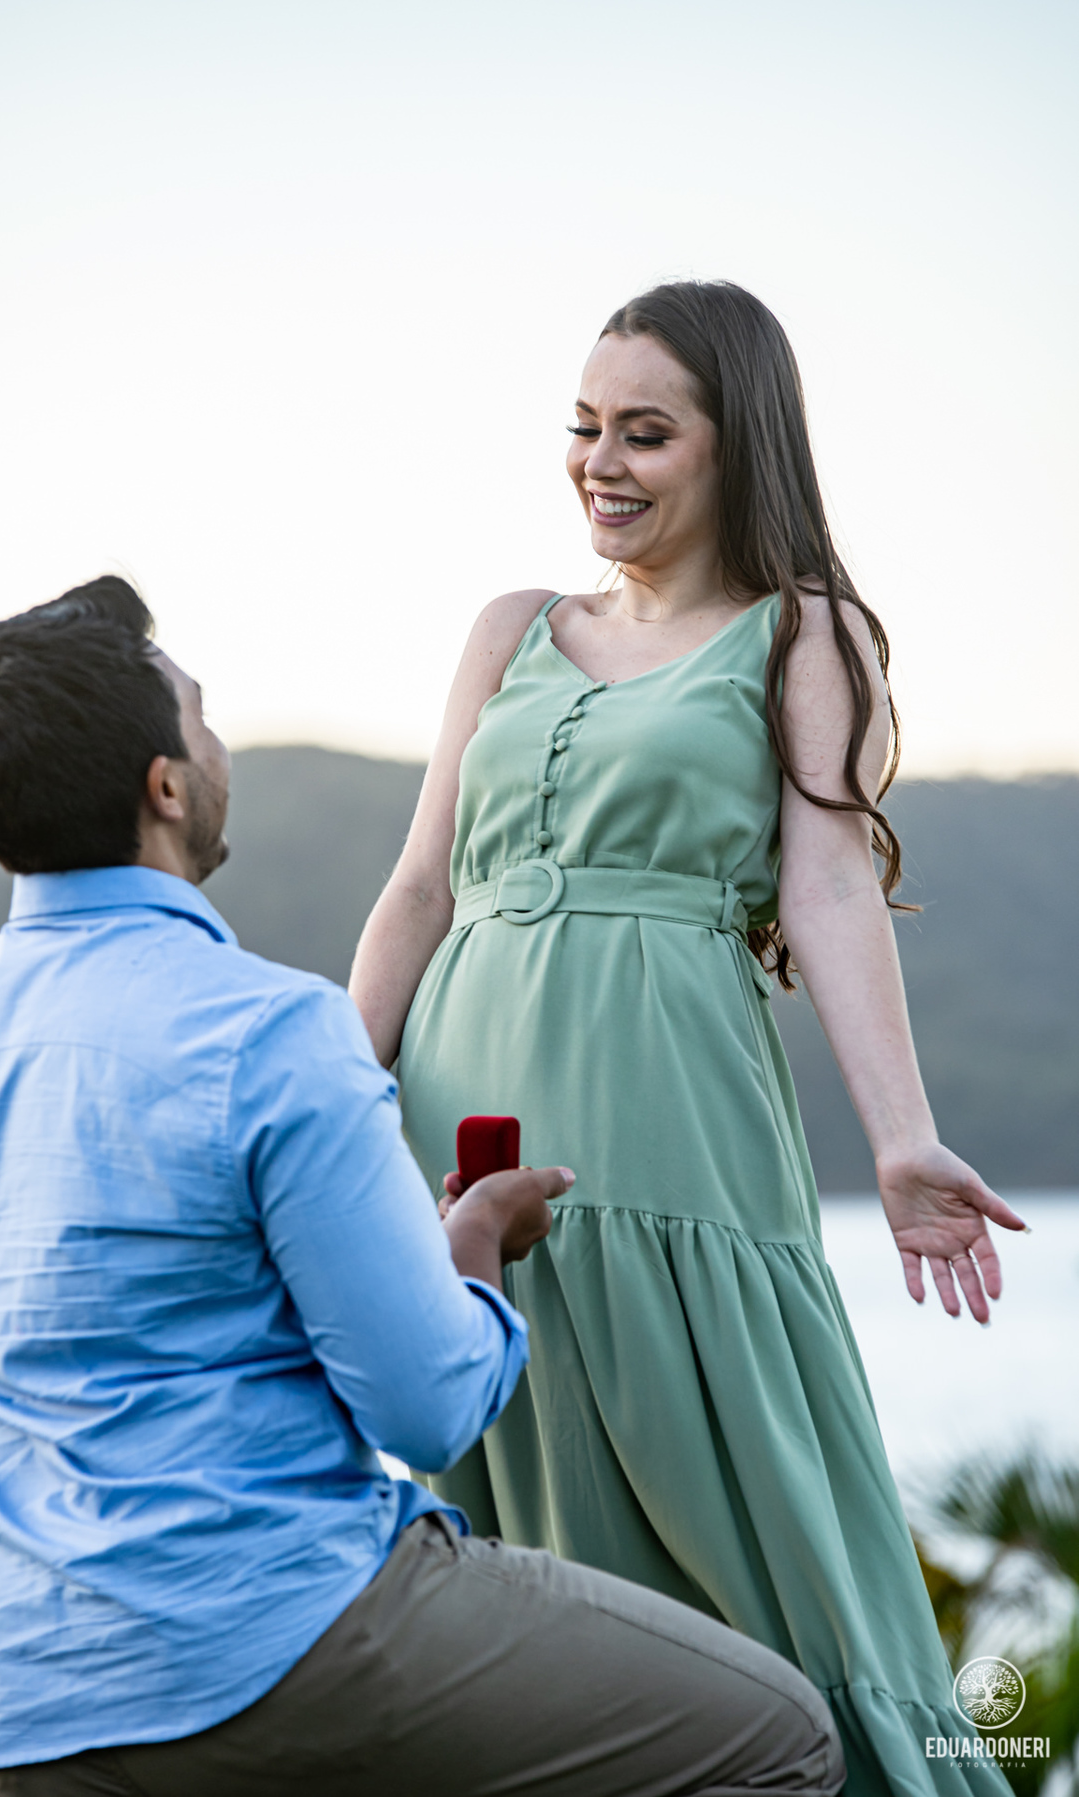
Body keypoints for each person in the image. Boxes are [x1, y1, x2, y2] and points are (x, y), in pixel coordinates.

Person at [0, 576, 845, 1796]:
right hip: (285, 1643)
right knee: (782, 1740)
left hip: (23, 1711)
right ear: (166, 788)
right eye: (200, 715)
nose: (215, 740)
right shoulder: (272, 1032)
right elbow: (430, 1407)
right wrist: (478, 1246)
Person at [349, 282, 1024, 1797]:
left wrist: (902, 1137)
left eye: (645, 432)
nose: (602, 462)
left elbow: (832, 880)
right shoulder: (511, 627)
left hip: (672, 1113)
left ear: (737, 448)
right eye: (585, 428)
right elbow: (417, 885)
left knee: (741, 1489)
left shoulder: (807, 634)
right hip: (462, 1112)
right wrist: (325, 1100)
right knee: (503, 1468)